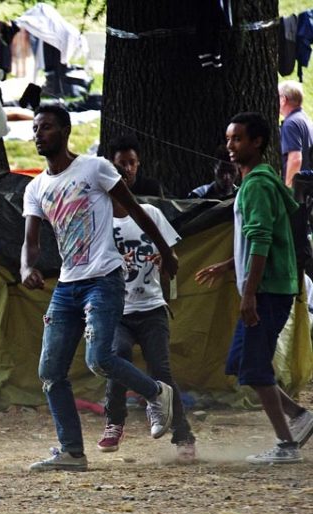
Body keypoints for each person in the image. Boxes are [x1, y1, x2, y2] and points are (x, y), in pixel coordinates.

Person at [21, 105, 178, 472]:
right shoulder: (36, 187)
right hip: (68, 285)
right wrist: (27, 267)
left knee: (99, 360)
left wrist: (165, 251)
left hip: (104, 279)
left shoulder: (95, 168)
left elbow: (136, 210)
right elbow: (30, 241)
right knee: (50, 371)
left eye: (46, 128)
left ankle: (156, 392)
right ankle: (73, 452)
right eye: (35, 128)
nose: (38, 134)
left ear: (65, 130)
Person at [195, 112, 313, 463]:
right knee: (242, 363)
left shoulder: (259, 185)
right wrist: (230, 265)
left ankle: (286, 445)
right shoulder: (256, 182)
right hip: (265, 287)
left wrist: (249, 294)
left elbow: (262, 239)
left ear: (257, 142)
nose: (231, 146)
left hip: (267, 291)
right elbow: (263, 240)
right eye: (229, 139)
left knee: (256, 368)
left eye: (238, 139)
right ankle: (300, 417)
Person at [102, 199, 197, 463]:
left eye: (132, 163)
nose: (127, 170)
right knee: (115, 357)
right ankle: (114, 422)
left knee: (161, 370)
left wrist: (168, 262)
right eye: (121, 165)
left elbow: (171, 254)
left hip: (152, 308)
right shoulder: (100, 219)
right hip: (117, 311)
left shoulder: (150, 213)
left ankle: (183, 435)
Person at [278, 81, 313, 188]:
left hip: (298, 191)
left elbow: (295, 159)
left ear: (283, 99)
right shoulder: (306, 119)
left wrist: (288, 190)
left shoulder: (290, 124)